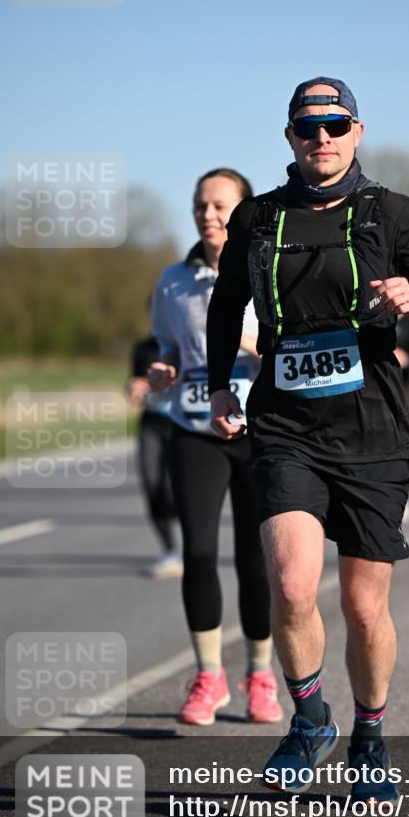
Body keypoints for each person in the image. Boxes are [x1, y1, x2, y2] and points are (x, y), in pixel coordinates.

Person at [206, 77, 409, 804]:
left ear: (357, 131)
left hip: (372, 429)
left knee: (362, 607)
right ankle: (308, 720)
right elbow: (227, 303)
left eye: (334, 124)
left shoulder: (392, 213)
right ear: (288, 137)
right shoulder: (258, 218)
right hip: (285, 425)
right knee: (291, 583)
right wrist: (220, 384)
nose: (319, 137)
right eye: (305, 127)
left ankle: (370, 734)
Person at [148, 168, 282, 726]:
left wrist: (251, 341)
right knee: (199, 553)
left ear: (243, 209)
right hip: (195, 428)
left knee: (256, 562)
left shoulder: (267, 267)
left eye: (220, 204)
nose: (208, 213)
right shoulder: (173, 280)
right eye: (201, 204)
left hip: (259, 429)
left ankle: (260, 676)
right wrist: (163, 369)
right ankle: (208, 677)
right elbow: (166, 345)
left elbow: (295, 340)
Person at [127, 332, 181, 578]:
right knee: (151, 485)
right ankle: (170, 550)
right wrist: (133, 388)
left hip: (181, 422)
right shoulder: (144, 348)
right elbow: (134, 382)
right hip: (151, 423)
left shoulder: (187, 341)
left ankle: (195, 542)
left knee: (172, 490)